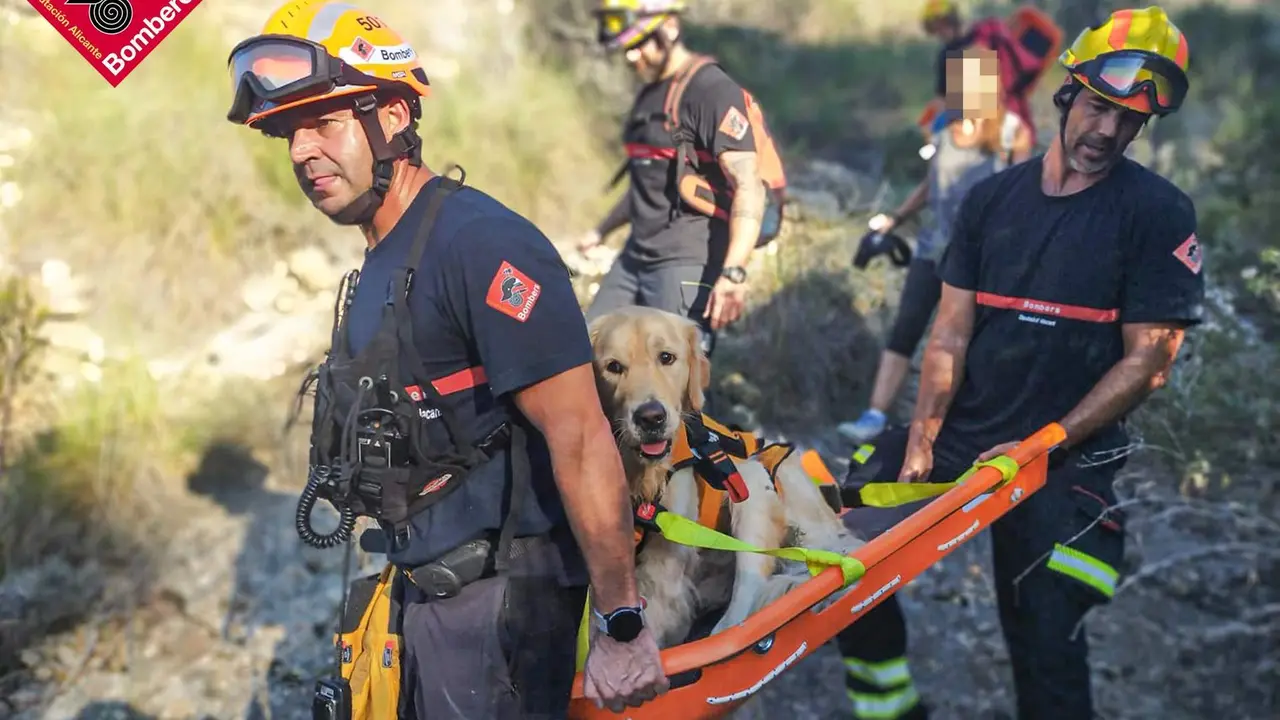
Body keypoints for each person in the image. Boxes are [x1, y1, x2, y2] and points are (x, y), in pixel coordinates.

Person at [224, 2, 669, 717]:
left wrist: (622, 624)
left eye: (324, 122)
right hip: (429, 593)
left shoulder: (480, 244)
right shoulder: (385, 256)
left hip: (503, 608)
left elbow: (582, 436)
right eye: (289, 133)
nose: (302, 150)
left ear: (394, 116)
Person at [836, 7, 1199, 719]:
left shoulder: (1158, 213)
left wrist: (1050, 441)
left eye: (1129, 120)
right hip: (965, 434)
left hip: (1067, 459)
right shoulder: (990, 200)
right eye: (1097, 107)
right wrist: (924, 432)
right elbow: (949, 333)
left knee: (1046, 640)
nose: (1108, 132)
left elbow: (1152, 357)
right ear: (1067, 92)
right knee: (838, 549)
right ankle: (892, 707)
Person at [839, 45, 1034, 443]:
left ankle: (956, 427)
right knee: (905, 330)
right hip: (933, 248)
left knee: (969, 342)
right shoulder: (944, 127)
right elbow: (931, 185)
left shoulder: (1012, 133)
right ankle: (874, 417)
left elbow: (1023, 195)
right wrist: (895, 219)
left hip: (981, 260)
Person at [578, 0, 769, 365]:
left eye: (639, 44)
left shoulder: (711, 90)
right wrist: (600, 230)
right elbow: (648, 180)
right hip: (634, 258)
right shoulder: (649, 93)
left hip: (686, 261)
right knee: (589, 360)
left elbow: (749, 184)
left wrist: (734, 271)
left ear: (670, 29)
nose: (631, 57)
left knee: (672, 381)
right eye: (626, 48)